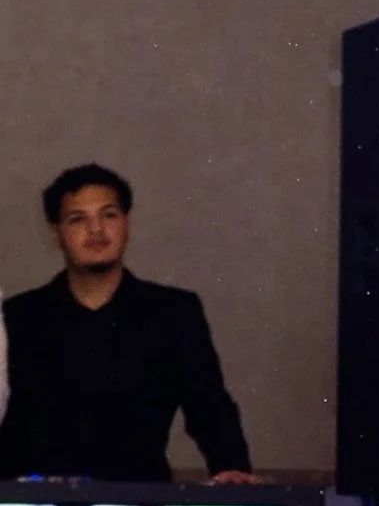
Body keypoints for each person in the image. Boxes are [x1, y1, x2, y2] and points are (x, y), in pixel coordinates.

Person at [0, 166, 253, 484]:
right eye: (78, 219)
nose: (96, 230)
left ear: (126, 223)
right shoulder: (19, 316)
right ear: (56, 233)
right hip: (31, 504)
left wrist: (232, 468)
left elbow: (209, 406)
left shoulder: (172, 312)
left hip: (139, 498)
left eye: (109, 215)